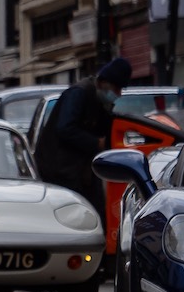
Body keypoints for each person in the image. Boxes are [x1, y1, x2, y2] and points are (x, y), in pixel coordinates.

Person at [34, 56, 132, 216]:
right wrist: (95, 143)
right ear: (103, 82)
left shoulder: (99, 101)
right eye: (116, 89)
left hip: (81, 171)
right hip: (61, 171)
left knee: (95, 211)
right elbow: (65, 128)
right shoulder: (79, 93)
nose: (118, 94)